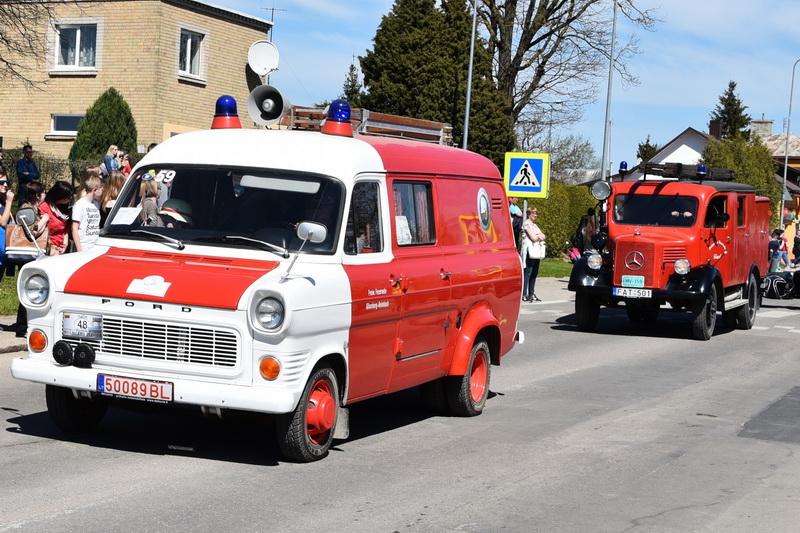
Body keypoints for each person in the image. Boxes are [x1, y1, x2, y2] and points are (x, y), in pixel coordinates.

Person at [14, 181, 51, 338]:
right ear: (37, 195)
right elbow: (31, 233)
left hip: (35, 254)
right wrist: (44, 220)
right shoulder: (26, 209)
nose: (45, 195)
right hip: (28, 254)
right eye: (43, 193)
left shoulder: (35, 209)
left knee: (34, 289)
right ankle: (22, 327)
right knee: (29, 288)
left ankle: (26, 324)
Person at [70, 167, 104, 252]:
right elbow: (74, 228)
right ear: (95, 190)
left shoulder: (96, 204)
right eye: (101, 189)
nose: (102, 191)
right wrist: (79, 250)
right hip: (83, 245)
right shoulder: (80, 204)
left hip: (94, 245)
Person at [38, 181, 73, 255]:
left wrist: (65, 245)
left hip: (61, 248)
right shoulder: (45, 207)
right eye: (68, 197)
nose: (70, 199)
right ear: (60, 196)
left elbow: (65, 230)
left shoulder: (63, 209)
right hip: (48, 248)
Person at [521, 207, 545, 302]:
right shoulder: (526, 224)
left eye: (536, 213)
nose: (535, 215)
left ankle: (531, 293)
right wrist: (538, 236)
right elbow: (533, 238)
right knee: (528, 272)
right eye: (533, 213)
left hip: (536, 251)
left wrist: (537, 236)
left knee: (534, 272)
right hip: (529, 251)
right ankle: (524, 293)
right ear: (529, 214)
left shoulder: (534, 225)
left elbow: (543, 235)